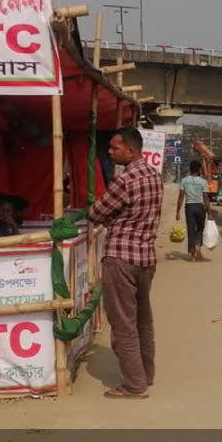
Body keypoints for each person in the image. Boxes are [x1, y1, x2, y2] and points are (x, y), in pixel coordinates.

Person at [88, 126, 164, 399]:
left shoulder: (125, 180)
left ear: (130, 151)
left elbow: (96, 211)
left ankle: (134, 384)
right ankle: (146, 374)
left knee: (123, 323)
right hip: (145, 257)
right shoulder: (155, 176)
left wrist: (111, 219)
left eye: (114, 148)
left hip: (121, 257)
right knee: (143, 320)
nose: (110, 152)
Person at [176, 160, 212, 261]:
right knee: (200, 228)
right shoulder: (203, 182)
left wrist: (177, 211)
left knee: (191, 229)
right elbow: (206, 198)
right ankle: (197, 245)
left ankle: (192, 254)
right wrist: (209, 213)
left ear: (190, 169)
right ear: (199, 169)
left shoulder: (184, 181)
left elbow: (181, 197)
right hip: (200, 207)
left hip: (189, 207)